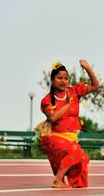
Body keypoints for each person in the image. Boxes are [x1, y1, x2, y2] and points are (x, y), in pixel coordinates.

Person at [40, 60, 100, 188]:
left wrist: (88, 68)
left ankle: (74, 186)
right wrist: (67, 104)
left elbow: (95, 86)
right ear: (52, 79)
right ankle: (58, 180)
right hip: (54, 137)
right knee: (76, 153)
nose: (63, 81)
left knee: (82, 161)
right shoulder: (46, 100)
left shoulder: (74, 91)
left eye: (66, 78)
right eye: (59, 78)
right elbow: (53, 117)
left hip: (71, 138)